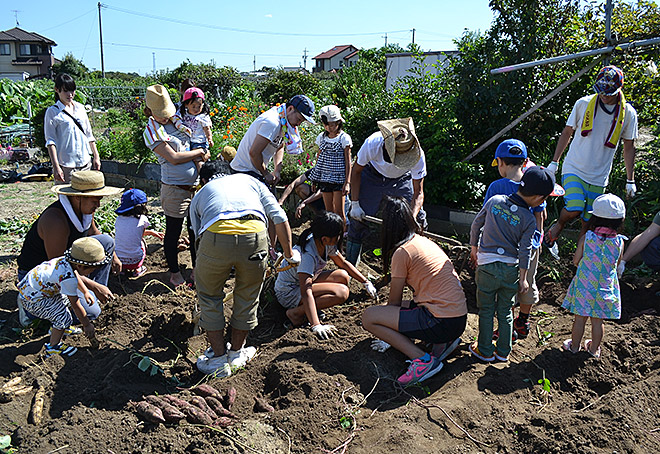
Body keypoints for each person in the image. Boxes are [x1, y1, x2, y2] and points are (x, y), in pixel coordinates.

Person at [190, 160, 301, 377]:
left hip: (216, 237)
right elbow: (278, 216)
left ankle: (219, 359)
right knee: (248, 295)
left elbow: (197, 236)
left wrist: (200, 268)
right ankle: (237, 353)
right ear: (230, 173)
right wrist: (289, 255)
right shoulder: (250, 181)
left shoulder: (201, 193)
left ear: (203, 180)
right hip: (255, 235)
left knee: (210, 296)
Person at [362, 197, 467, 386]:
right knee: (400, 308)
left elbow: (393, 303)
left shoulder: (402, 252)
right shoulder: (422, 241)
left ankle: (423, 361)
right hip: (457, 318)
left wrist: (390, 337)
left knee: (369, 316)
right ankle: (440, 344)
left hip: (440, 321)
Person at [469, 167, 558, 363]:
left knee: (486, 310)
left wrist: (474, 248)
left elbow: (476, 224)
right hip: (510, 270)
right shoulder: (528, 219)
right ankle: (503, 351)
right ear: (538, 198)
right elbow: (525, 251)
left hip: (486, 267)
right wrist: (524, 278)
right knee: (505, 310)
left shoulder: (495, 202)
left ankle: (484, 350)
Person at [545, 66, 638, 245]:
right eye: (601, 91)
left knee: (589, 221)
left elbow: (629, 146)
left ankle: (580, 260)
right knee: (575, 207)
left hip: (599, 175)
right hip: (575, 166)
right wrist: (554, 162)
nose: (604, 95)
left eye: (608, 92)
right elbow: (567, 131)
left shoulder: (628, 114)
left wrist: (630, 180)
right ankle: (559, 224)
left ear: (618, 89)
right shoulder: (583, 104)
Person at [16, 170, 122, 326]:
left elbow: (94, 233)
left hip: (67, 266)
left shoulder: (84, 211)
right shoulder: (56, 221)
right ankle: (31, 311)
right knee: (92, 313)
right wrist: (93, 285)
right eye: (94, 200)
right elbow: (60, 267)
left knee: (106, 242)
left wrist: (114, 256)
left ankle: (92, 294)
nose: (98, 205)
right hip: (40, 280)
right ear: (78, 197)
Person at [485, 139, 564, 340]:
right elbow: (541, 217)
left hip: (504, 248)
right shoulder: (533, 184)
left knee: (507, 287)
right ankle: (523, 321)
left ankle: (508, 327)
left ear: (500, 162)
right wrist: (536, 241)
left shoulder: (496, 187)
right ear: (526, 161)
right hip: (529, 247)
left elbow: (487, 216)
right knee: (527, 282)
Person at [143, 84, 209, 287]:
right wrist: (198, 154)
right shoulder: (152, 131)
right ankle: (174, 272)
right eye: (161, 115)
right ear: (150, 112)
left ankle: (196, 268)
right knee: (173, 231)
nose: (166, 117)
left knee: (194, 231)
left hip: (194, 188)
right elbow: (173, 157)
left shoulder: (177, 121)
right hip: (175, 190)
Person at [275, 212, 377, 339]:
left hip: (304, 282)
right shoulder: (307, 255)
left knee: (343, 276)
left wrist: (366, 282)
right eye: (338, 235)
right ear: (325, 238)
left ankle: (310, 310)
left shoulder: (324, 242)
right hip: (289, 292)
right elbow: (305, 291)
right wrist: (316, 325)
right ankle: (296, 313)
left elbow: (343, 263)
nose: (340, 238)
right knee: (341, 293)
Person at [347, 117, 427, 265]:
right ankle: (351, 264)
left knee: (419, 219)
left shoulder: (417, 155)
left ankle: (417, 260)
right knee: (358, 218)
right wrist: (355, 203)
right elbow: (356, 171)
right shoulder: (372, 143)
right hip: (372, 176)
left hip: (401, 179)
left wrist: (412, 218)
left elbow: (418, 192)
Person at [17, 237, 109, 357]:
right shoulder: (68, 278)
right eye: (92, 268)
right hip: (34, 300)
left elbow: (76, 275)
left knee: (65, 304)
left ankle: (60, 329)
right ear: (80, 266)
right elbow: (76, 305)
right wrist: (87, 324)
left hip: (37, 291)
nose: (93, 272)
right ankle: (54, 347)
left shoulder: (66, 261)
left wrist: (85, 291)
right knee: (63, 317)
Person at [562, 194, 626, 358]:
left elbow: (576, 260)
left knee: (580, 319)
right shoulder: (619, 242)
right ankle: (593, 350)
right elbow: (617, 263)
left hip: (584, 287)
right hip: (604, 288)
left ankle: (574, 347)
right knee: (598, 322)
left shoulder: (587, 238)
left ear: (595, 217)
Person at [230, 94, 315, 185]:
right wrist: (266, 173)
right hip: (243, 171)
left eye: (301, 121)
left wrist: (277, 170)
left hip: (255, 171)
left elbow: (279, 145)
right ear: (290, 109)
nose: (298, 124)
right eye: (299, 119)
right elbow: (254, 153)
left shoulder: (284, 120)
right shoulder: (272, 122)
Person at [44, 73, 101, 184]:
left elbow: (89, 134)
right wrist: (56, 167)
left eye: (72, 90)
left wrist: (96, 156)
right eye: (65, 91)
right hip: (66, 165)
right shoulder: (53, 112)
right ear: (57, 90)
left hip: (85, 163)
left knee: (86, 197)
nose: (70, 94)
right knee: (68, 199)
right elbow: (50, 141)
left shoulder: (80, 108)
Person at [307, 105, 352, 229]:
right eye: (326, 124)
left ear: (338, 123)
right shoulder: (321, 137)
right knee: (329, 211)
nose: (329, 127)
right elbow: (319, 159)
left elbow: (348, 161)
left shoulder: (344, 138)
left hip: (338, 178)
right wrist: (315, 179)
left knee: (339, 211)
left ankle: (342, 235)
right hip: (325, 178)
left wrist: (347, 182)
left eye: (332, 124)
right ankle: (331, 234)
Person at [114, 188, 164, 278]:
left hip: (118, 260)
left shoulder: (118, 219)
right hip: (135, 261)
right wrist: (152, 233)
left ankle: (123, 271)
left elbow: (131, 233)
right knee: (141, 242)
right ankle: (138, 269)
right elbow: (139, 235)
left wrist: (152, 233)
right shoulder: (143, 219)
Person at [174, 87, 214, 174]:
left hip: (198, 142)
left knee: (198, 160)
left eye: (199, 106)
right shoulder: (183, 114)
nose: (196, 109)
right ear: (186, 105)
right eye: (193, 106)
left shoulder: (203, 116)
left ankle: (203, 176)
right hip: (186, 141)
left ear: (203, 104)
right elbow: (174, 118)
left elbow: (207, 128)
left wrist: (210, 138)